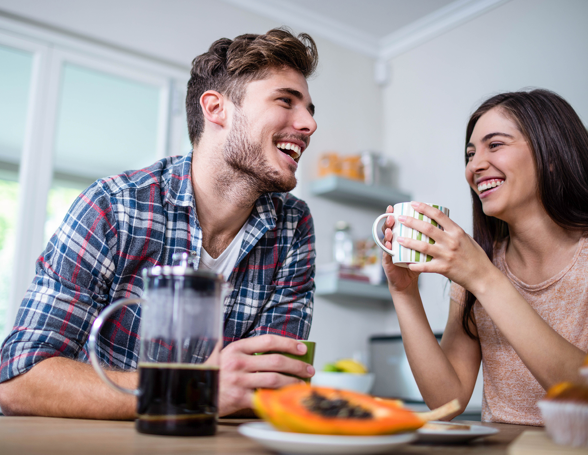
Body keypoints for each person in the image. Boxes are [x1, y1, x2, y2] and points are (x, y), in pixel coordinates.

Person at [0, 28, 318, 418]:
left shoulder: (293, 226)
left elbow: (273, 386)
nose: (308, 124)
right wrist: (193, 390)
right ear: (216, 108)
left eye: (309, 110)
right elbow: (19, 380)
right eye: (286, 101)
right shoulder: (112, 207)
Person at [381, 89, 588, 426]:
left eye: (495, 145)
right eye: (470, 153)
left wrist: (484, 278)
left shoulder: (479, 270)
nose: (474, 166)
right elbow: (446, 399)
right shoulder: (479, 265)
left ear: (550, 154)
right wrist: (404, 293)